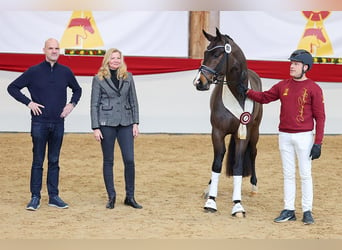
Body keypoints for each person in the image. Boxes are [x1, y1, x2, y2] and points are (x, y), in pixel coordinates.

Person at [239, 49, 325, 225]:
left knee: (305, 174)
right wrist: (247, 92)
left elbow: (320, 117)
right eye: (291, 63)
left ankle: (307, 210)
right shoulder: (282, 86)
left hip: (304, 137)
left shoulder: (314, 88)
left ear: (305, 67)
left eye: (296, 64)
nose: (292, 66)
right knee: (288, 174)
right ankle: (289, 210)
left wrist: (318, 142)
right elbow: (264, 97)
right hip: (284, 135)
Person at [7, 38, 82, 211]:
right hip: (39, 123)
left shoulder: (65, 72)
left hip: (58, 123)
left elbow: (77, 89)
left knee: (54, 160)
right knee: (38, 161)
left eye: (56, 48)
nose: (54, 51)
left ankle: (54, 197)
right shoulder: (34, 71)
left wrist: (71, 105)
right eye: (51, 48)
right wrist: (29, 103)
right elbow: (12, 87)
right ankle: (35, 197)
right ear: (44, 50)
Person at [90, 48, 142, 209]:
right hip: (106, 124)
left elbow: (134, 101)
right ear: (107, 60)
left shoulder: (128, 77)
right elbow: (94, 104)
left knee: (129, 160)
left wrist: (135, 123)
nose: (115, 61)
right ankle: (111, 196)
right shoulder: (99, 78)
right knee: (108, 160)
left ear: (121, 60)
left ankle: (130, 197)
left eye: (118, 58)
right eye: (112, 58)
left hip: (126, 123)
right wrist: (95, 127)